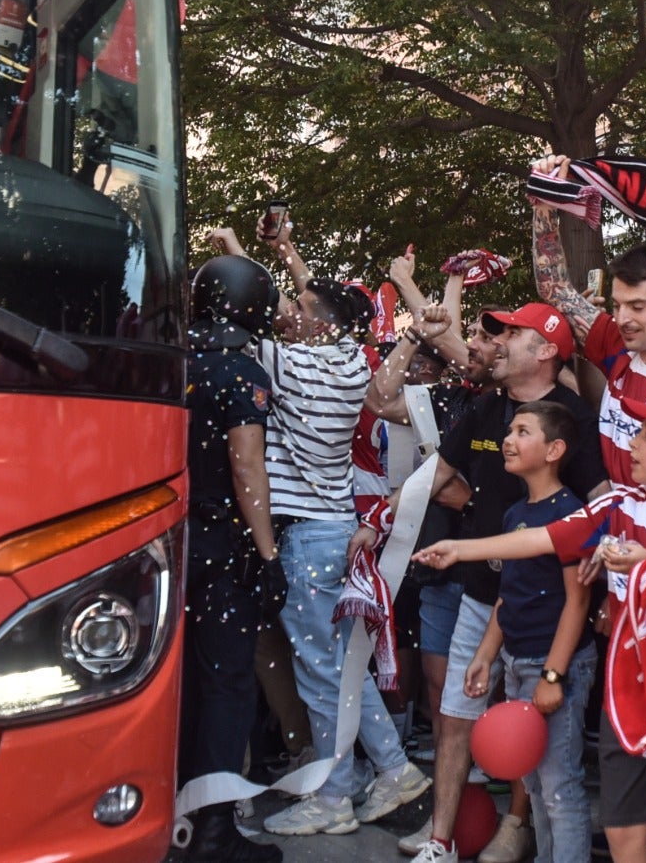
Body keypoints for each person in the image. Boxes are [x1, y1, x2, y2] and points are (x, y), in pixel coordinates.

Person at [420, 390, 646, 863]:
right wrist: (460, 550)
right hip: (623, 689)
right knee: (624, 830)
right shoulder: (620, 506)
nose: (632, 444)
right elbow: (545, 538)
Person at [211, 222, 431, 837]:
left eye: (301, 307)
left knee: (319, 671)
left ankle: (334, 796)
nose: (286, 311)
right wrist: (266, 250)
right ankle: (392, 770)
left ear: (323, 323)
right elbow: (301, 302)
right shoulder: (349, 362)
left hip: (305, 535)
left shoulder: (285, 363)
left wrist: (237, 259)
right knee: (339, 667)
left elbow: (268, 305)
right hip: (333, 528)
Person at [377, 300, 608, 863]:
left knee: (542, 750)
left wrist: (613, 562)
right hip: (486, 600)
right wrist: (376, 521)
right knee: (455, 716)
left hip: (547, 614)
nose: (497, 340)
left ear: (546, 350)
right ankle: (440, 842)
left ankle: (517, 828)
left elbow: (599, 507)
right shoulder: (484, 408)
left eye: (512, 332)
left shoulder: (572, 418)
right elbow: (435, 474)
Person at [445, 399, 596, 863]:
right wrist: (487, 655)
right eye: (510, 430)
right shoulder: (514, 515)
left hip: (552, 667)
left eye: (523, 432)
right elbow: (507, 596)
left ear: (554, 450)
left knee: (558, 788)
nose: (508, 440)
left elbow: (578, 600)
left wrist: (553, 676)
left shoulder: (569, 513)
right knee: (533, 783)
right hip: (515, 662)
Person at [178, 254, 287, 862]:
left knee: (186, 684)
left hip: (174, 541)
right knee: (228, 686)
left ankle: (179, 817)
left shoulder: (175, 363)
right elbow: (248, 468)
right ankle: (216, 834)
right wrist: (268, 555)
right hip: (223, 549)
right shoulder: (240, 371)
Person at [530, 154, 646, 483]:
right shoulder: (616, 342)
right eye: (617, 305)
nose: (623, 318)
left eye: (638, 307)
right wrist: (545, 201)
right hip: (614, 517)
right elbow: (555, 288)